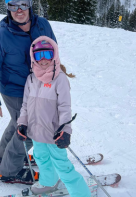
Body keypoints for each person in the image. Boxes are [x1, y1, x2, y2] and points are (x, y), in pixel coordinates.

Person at [0, 0, 57, 182]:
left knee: (17, 123)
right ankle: (9, 171)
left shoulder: (42, 25)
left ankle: (2, 156)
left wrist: (55, 77)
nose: (19, 9)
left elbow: (53, 51)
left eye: (24, 4)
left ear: (30, 5)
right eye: (13, 5)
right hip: (13, 89)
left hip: (37, 86)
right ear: (8, 8)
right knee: (29, 129)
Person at [16, 36, 91, 197]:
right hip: (36, 132)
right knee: (41, 158)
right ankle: (48, 182)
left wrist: (65, 130)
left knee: (62, 165)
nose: (43, 60)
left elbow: (65, 108)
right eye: (38, 55)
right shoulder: (30, 79)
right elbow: (25, 106)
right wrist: (22, 123)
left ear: (54, 55)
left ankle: (81, 194)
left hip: (54, 134)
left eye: (47, 55)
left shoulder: (60, 79)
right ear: (33, 57)